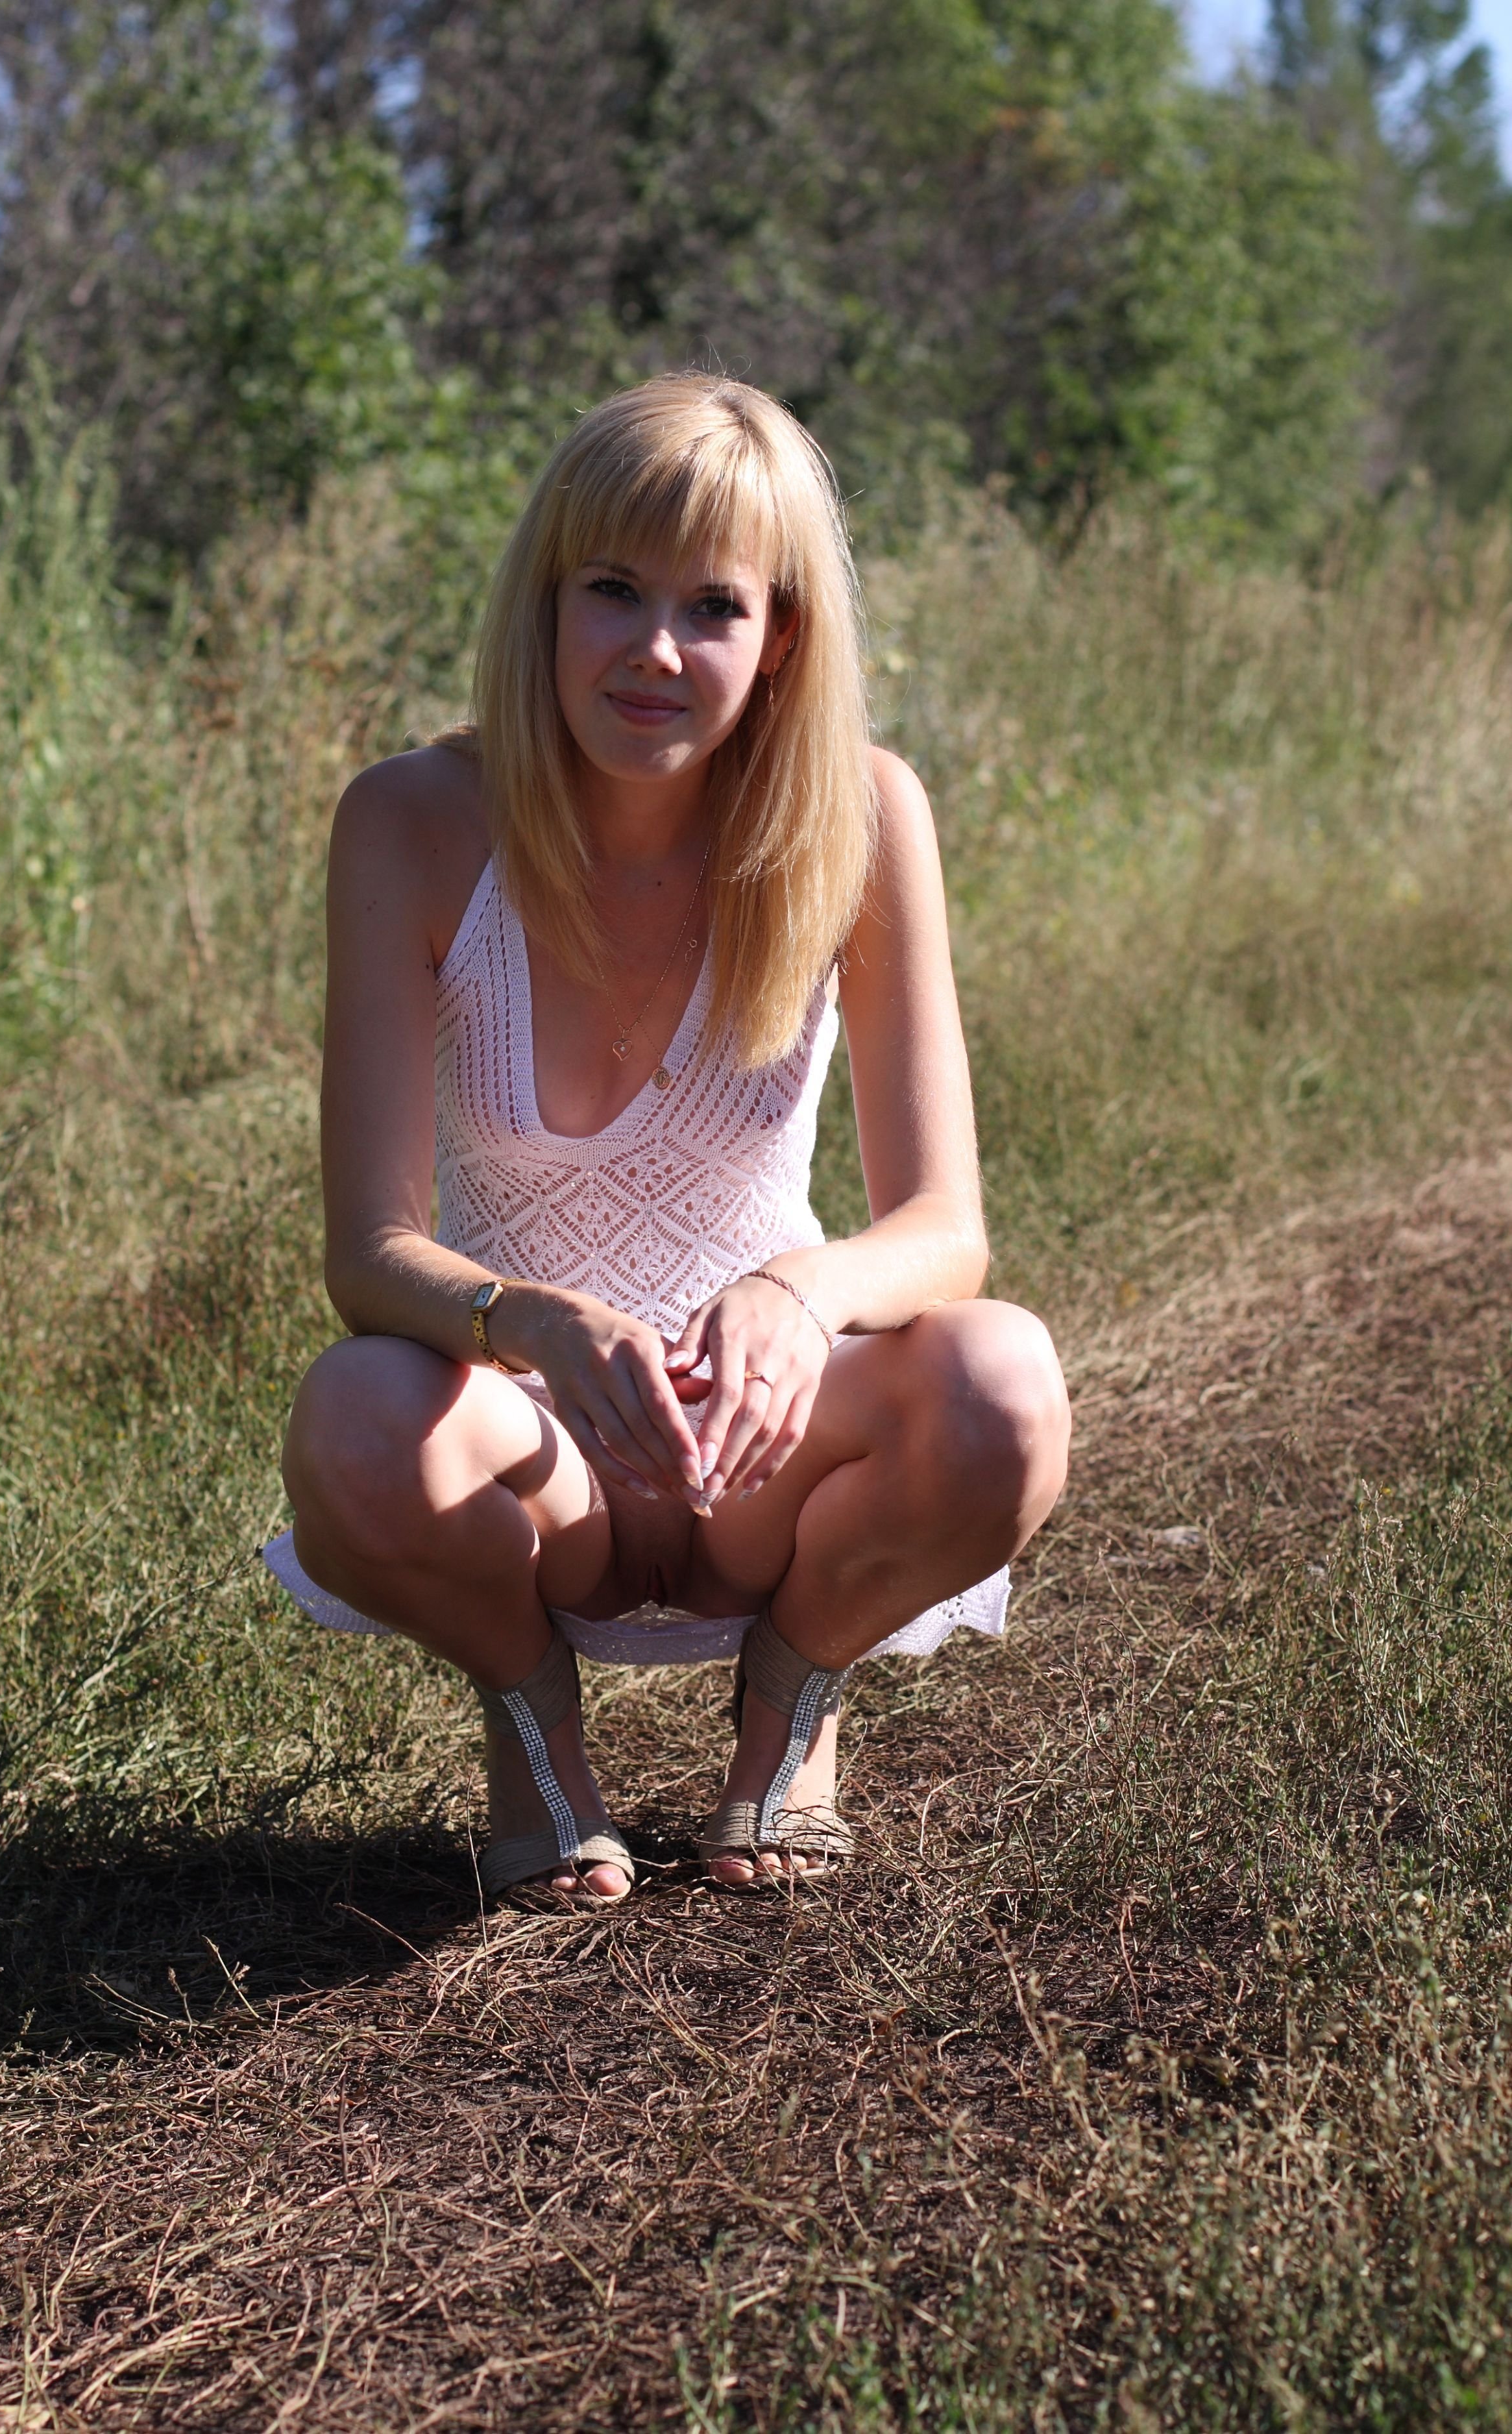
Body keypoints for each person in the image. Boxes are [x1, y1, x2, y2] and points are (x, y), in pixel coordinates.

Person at [265, 373, 1070, 1905]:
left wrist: (797, 1297)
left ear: (782, 640)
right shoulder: (411, 821)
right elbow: (367, 1255)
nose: (653, 649)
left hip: (766, 1450)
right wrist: (530, 1324)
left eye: (713, 607)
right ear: (544, 603)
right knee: (355, 1417)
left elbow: (944, 1228)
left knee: (1003, 1384)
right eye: (612, 591)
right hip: (533, 1456)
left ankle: (793, 1698)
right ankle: (532, 1730)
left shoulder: (864, 814)